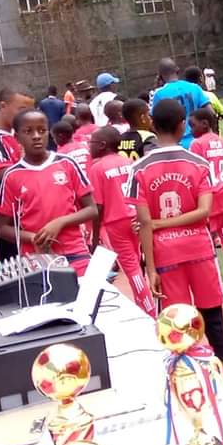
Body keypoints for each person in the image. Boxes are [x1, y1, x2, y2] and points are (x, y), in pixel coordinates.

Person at [126, 98, 223, 376]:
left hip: (164, 254)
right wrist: (158, 223)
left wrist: (150, 269)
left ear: (152, 123)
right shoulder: (198, 163)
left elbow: (144, 223)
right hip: (199, 248)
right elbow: (204, 211)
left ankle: (188, 374)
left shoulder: (138, 170)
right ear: (182, 125)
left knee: (177, 318)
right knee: (212, 313)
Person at [0, 109, 97, 276]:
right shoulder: (12, 176)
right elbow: (2, 229)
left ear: (48, 133)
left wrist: (60, 222)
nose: (36, 136)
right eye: (28, 131)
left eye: (41, 130)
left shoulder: (67, 163)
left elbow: (92, 209)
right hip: (36, 259)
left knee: (84, 292)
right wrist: (33, 238)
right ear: (17, 137)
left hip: (75, 252)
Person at [89, 126, 156, 318]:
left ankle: (149, 312)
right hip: (137, 217)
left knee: (132, 269)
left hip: (116, 222)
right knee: (139, 262)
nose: (89, 146)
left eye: (92, 143)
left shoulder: (97, 168)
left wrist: (95, 236)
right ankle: (144, 304)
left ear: (102, 145)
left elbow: (98, 206)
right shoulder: (130, 162)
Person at [189, 108, 223, 281]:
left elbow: (195, 173)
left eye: (193, 125)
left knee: (207, 232)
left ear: (205, 124)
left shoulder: (197, 144)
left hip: (208, 194)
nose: (191, 129)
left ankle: (212, 271)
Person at [0, 88, 35, 261]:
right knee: (17, 270)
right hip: (9, 221)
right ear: (3, 106)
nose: (26, 116)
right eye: (21, 109)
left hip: (27, 213)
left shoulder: (15, 136)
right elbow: (9, 178)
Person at [151, 58, 212, 149]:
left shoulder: (159, 94)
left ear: (160, 76)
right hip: (198, 142)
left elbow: (154, 122)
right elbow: (211, 112)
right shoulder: (195, 87)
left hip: (175, 144)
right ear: (178, 70)